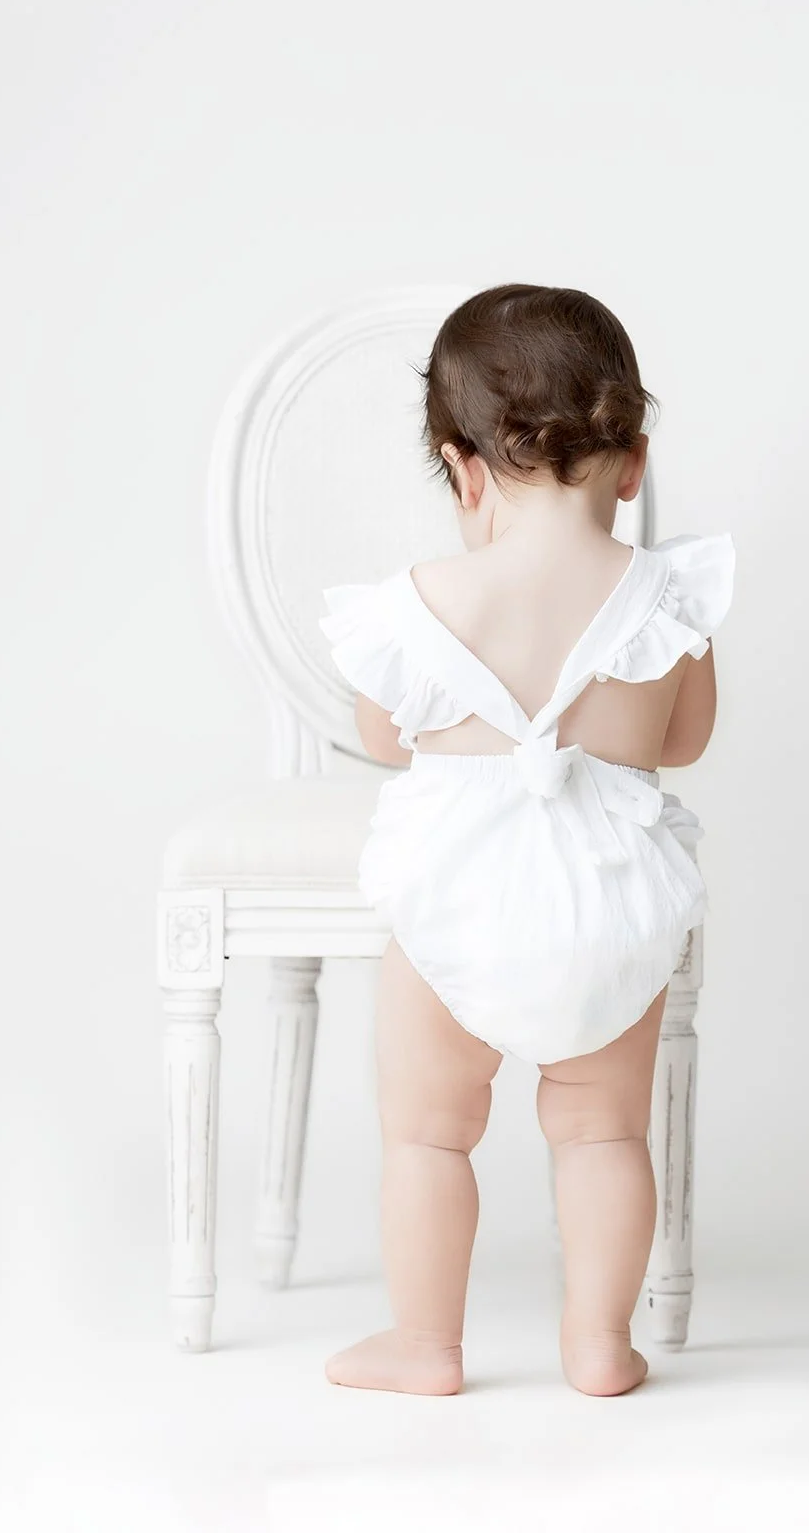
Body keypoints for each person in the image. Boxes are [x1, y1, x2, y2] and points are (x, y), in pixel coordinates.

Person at [319, 284, 734, 1397]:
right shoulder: (663, 598)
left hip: (453, 900)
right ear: (631, 461)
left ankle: (426, 1345)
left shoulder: (417, 601)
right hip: (608, 903)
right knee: (602, 1133)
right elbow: (685, 740)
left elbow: (383, 735)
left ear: (461, 470)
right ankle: (598, 1342)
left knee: (427, 1134)